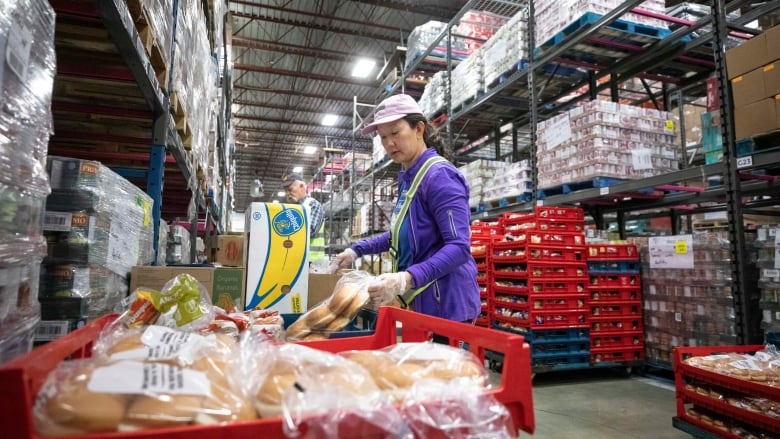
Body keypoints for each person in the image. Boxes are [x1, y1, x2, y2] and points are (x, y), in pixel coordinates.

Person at [331, 94, 480, 323]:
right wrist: (356, 250)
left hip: (448, 308)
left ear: (419, 129)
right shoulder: (410, 178)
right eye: (383, 137)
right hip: (422, 303)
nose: (389, 143)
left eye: (395, 133)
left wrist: (405, 279)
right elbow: (401, 237)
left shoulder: (440, 177)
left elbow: (459, 247)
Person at [281, 172, 325, 263]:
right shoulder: (291, 209)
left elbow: (310, 231)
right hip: (295, 259)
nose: (287, 193)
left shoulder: (312, 205)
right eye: (286, 191)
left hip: (311, 261)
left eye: (290, 189)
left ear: (302, 186)